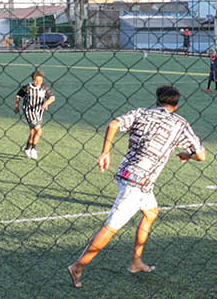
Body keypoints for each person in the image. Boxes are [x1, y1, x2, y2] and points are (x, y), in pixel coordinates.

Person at [69, 84, 206, 288]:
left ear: (157, 101)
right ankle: (78, 266)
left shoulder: (141, 113)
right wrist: (187, 155)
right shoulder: (180, 124)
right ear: (176, 106)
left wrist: (106, 152)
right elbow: (201, 156)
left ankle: (136, 262)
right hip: (137, 183)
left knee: (151, 212)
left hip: (127, 175)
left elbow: (113, 124)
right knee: (111, 227)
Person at [14, 69, 55, 159]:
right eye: (36, 80)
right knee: (39, 130)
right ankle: (33, 149)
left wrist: (46, 103)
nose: (38, 82)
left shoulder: (44, 88)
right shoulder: (27, 87)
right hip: (29, 111)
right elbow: (19, 95)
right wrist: (17, 105)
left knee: (33, 131)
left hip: (39, 111)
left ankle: (27, 148)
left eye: (40, 80)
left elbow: (52, 98)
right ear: (32, 79)